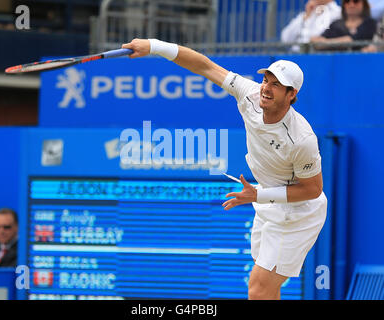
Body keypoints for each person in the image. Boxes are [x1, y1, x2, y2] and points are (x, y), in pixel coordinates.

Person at [121, 39, 327, 300]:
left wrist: (258, 196)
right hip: (267, 201)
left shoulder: (301, 139)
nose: (267, 88)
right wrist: (153, 46)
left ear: (292, 95)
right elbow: (205, 67)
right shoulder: (249, 93)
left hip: (298, 214)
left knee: (258, 288)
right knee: (267, 290)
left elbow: (313, 189)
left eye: (277, 85)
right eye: (267, 80)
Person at [310, 0, 377, 51]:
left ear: (364, 4)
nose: (351, 5)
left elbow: (350, 40)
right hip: (335, 65)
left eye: (356, 1)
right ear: (344, 4)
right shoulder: (336, 24)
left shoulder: (370, 23)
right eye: (347, 1)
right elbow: (315, 41)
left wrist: (326, 43)